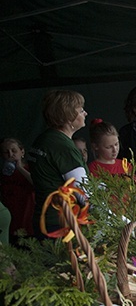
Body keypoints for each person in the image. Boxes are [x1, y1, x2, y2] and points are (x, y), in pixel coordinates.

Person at [28, 90, 89, 238]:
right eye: (81, 110)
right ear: (68, 117)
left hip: (44, 218)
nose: (85, 113)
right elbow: (83, 192)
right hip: (62, 224)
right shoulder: (62, 146)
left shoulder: (44, 139)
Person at [1, 138, 35, 240]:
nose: (11, 154)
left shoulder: (31, 169)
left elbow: (37, 185)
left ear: (22, 152)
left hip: (28, 224)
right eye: (6, 152)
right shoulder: (3, 174)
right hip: (10, 225)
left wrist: (20, 168)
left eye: (14, 151)